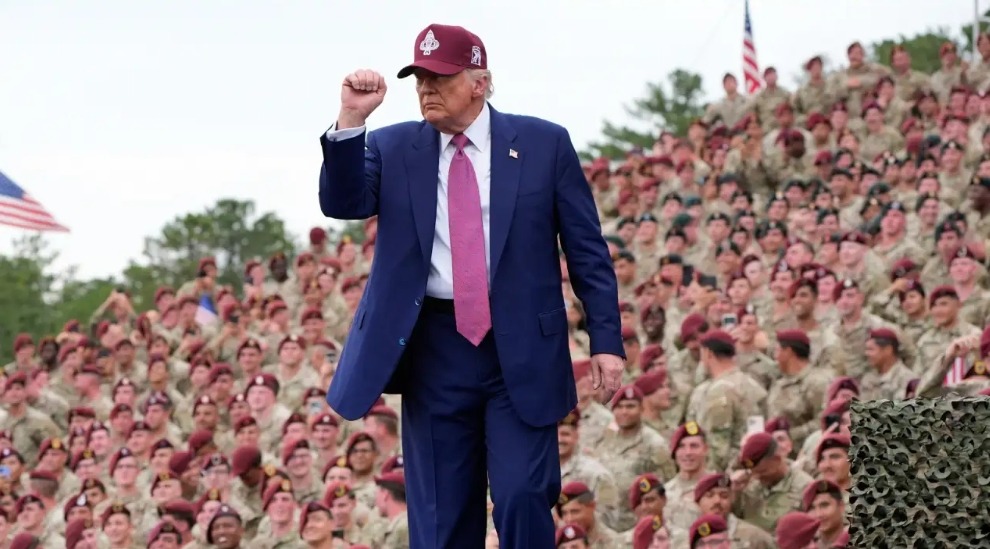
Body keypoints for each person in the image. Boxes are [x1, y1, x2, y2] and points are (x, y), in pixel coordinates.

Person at [318, 23, 625, 548]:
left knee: (524, 496)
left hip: (521, 351)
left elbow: (587, 251)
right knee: (441, 518)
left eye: (440, 77)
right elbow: (343, 203)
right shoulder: (393, 147)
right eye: (419, 78)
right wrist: (350, 121)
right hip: (433, 352)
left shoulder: (543, 144)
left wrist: (606, 343)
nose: (426, 89)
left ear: (480, 82)